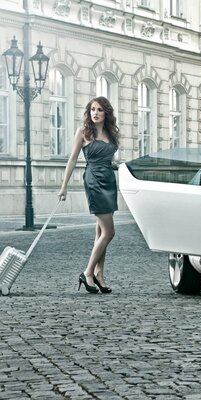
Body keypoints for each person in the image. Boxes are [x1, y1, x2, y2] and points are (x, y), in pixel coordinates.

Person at [58, 96, 120, 294]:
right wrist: (64, 186)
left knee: (101, 233)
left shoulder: (111, 133)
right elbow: (73, 159)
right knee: (110, 232)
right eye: (92, 109)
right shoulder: (83, 132)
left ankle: (100, 274)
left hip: (109, 180)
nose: (95, 113)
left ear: (106, 113)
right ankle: (88, 272)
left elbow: (108, 158)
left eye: (99, 109)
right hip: (94, 181)